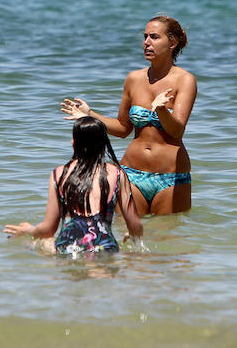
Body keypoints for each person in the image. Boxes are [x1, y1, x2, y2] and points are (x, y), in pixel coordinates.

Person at [61, 14, 197, 215]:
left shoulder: (185, 80)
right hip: (130, 174)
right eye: (145, 37)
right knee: (128, 240)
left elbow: (177, 130)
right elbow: (123, 128)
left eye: (154, 37)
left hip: (170, 177)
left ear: (172, 43)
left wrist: (160, 109)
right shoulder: (133, 79)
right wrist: (89, 115)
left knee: (167, 239)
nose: (146, 43)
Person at [3, 117, 143, 256]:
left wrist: (29, 230)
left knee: (35, 243)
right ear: (103, 144)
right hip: (105, 248)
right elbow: (136, 226)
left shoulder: (59, 174)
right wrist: (131, 234)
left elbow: (48, 230)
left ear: (73, 144)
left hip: (68, 248)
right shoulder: (118, 174)